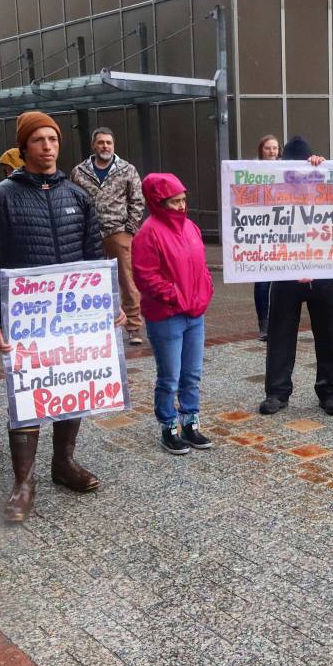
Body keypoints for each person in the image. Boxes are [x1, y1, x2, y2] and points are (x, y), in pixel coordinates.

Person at [0, 110, 121, 523]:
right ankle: (24, 483)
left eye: (53, 139)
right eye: (38, 140)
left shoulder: (76, 196)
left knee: (69, 386)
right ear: (23, 149)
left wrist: (105, 307)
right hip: (26, 321)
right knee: (27, 397)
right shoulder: (1, 196)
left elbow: (95, 257)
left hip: (72, 319)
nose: (48, 146)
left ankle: (64, 464)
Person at [259, 137, 333, 417]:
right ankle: (277, 392)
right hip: (286, 272)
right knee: (280, 333)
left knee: (330, 333)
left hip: (323, 271)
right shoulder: (275, 186)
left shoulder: (325, 184)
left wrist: (323, 168)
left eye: (303, 165)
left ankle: (330, 391)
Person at [132, 173, 214, 455]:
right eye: (174, 201)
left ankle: (190, 421)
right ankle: (168, 426)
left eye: (183, 200)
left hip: (194, 312)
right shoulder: (148, 233)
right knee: (170, 376)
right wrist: (176, 296)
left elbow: (201, 264)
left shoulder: (190, 227)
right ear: (159, 202)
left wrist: (205, 290)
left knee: (192, 374)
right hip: (166, 315)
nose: (181, 206)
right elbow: (146, 276)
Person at [71, 127, 147, 346]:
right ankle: (95, 325)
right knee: (91, 282)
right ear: (94, 145)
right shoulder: (79, 171)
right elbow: (74, 200)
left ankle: (133, 327)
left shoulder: (127, 169)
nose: (105, 146)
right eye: (101, 142)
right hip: (90, 234)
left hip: (118, 231)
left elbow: (137, 200)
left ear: (114, 145)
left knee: (127, 280)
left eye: (109, 143)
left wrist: (130, 228)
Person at [253, 134, 280, 340]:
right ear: (261, 150)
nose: (272, 152)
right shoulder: (252, 170)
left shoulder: (284, 169)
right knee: (262, 281)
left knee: (279, 282)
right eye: (268, 148)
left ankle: (277, 321)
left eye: (275, 148)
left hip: (280, 231)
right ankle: (264, 323)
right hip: (260, 232)